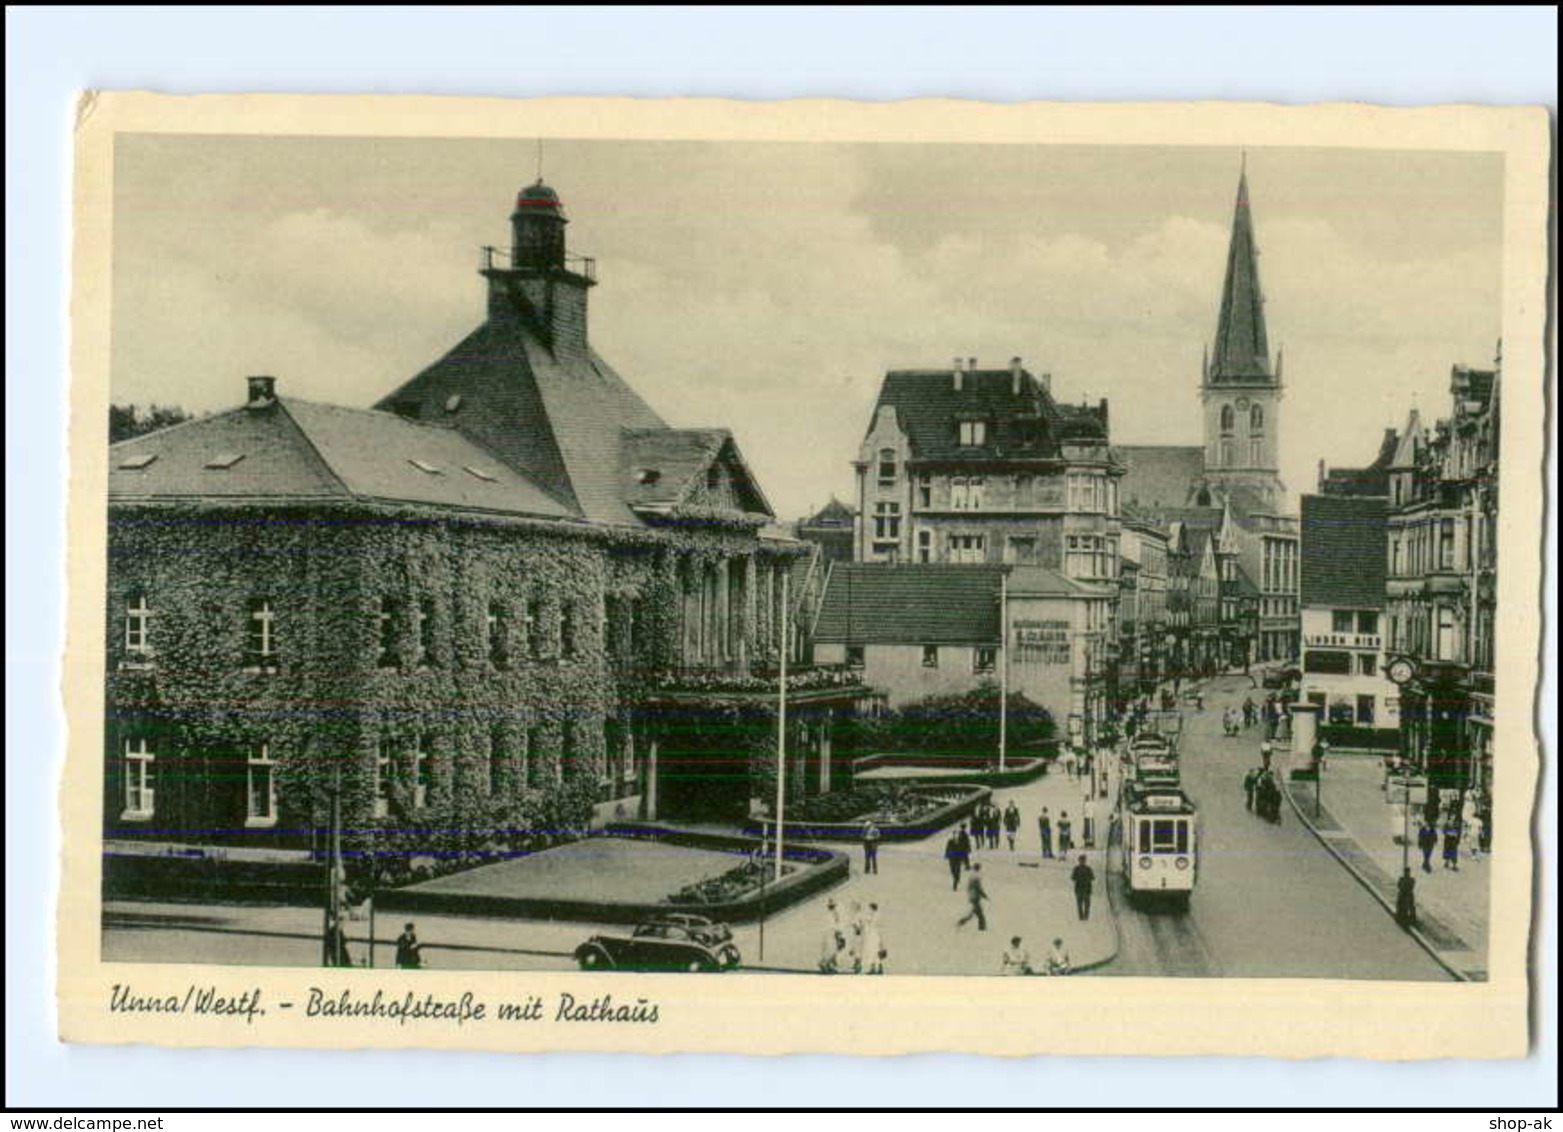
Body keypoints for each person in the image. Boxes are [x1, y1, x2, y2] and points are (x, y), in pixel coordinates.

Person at [956, 863, 989, 931]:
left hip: (972, 896)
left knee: (974, 913)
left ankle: (962, 922)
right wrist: (984, 895)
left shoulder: (972, 876)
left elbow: (970, 887)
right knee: (979, 914)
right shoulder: (976, 877)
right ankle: (982, 928)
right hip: (975, 897)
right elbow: (978, 888)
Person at [819, 898, 845, 973]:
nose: (834, 907)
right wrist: (838, 932)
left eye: (834, 905)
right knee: (831, 949)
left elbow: (838, 923)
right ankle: (825, 965)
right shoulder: (831, 914)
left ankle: (828, 964)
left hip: (833, 933)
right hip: (832, 933)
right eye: (832, 906)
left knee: (836, 949)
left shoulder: (834, 913)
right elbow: (834, 925)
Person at [860, 902, 886, 975]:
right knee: (871, 952)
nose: (868, 910)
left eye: (869, 909)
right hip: (870, 937)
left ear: (872, 909)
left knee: (876, 952)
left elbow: (874, 926)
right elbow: (865, 927)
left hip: (874, 936)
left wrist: (867, 921)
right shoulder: (870, 916)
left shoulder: (876, 916)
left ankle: (879, 968)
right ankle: (873, 968)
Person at [1071, 854, 1096, 921]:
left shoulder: (1081, 869)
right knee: (1081, 905)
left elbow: (1073, 878)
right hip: (1082, 889)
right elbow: (1092, 877)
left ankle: (1084, 917)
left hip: (1084, 889)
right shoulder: (1085, 869)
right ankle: (1082, 917)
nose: (1082, 862)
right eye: (1081, 860)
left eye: (1083, 860)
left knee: (1084, 904)